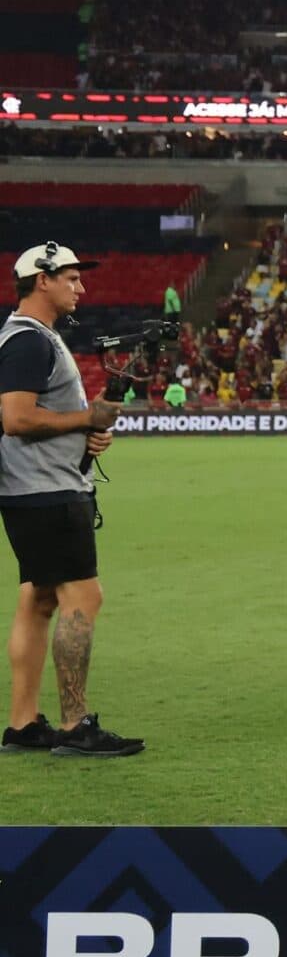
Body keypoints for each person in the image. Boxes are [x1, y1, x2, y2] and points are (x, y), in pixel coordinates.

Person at [1, 243, 141, 757]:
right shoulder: (29, 341)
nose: (81, 287)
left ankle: (22, 725)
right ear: (42, 280)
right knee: (83, 598)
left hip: (31, 488)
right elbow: (16, 419)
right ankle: (74, 725)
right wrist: (86, 419)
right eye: (71, 278)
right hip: (47, 491)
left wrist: (87, 430)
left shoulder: (27, 337)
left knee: (38, 600)